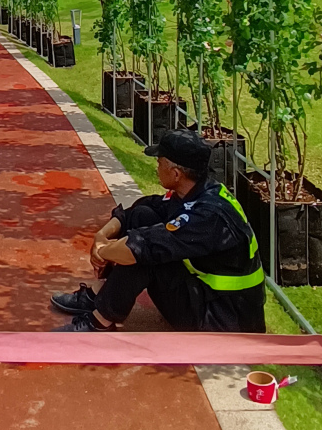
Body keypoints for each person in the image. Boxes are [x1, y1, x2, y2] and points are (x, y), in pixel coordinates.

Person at [51, 128, 265, 333]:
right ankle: (98, 294)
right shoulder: (198, 190)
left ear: (176, 173)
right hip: (213, 297)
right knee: (145, 216)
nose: (156, 167)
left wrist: (102, 251)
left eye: (159, 162)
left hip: (223, 316)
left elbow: (141, 247)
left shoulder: (208, 216)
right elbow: (144, 208)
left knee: (145, 255)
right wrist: (101, 236)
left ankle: (100, 322)